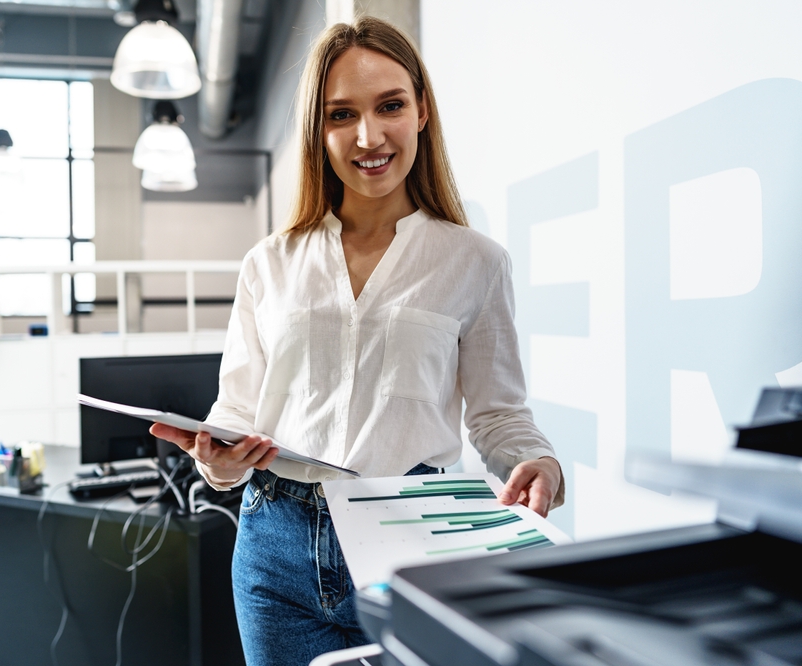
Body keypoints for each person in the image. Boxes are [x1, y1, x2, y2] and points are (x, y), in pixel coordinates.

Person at [150, 17, 564, 666]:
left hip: (411, 540)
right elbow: (236, 408)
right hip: (273, 546)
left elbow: (498, 411)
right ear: (319, 129)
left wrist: (536, 462)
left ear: (422, 110)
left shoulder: (476, 261)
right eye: (341, 114)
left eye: (390, 106)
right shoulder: (269, 262)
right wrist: (218, 458)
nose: (368, 137)